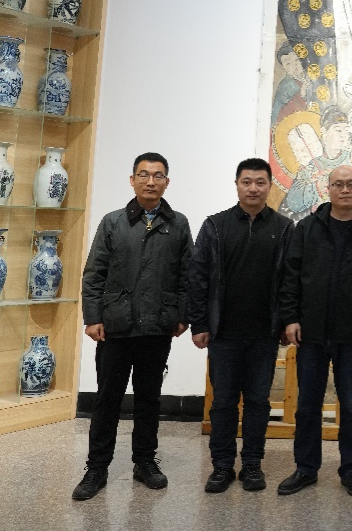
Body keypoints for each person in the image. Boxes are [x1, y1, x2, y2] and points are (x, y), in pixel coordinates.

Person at [73, 153, 193, 501]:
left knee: (148, 399)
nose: (150, 181)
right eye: (143, 174)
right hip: (115, 326)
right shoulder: (113, 222)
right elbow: (94, 274)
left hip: (157, 326)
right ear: (132, 180)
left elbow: (187, 275)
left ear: (167, 182)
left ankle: (144, 462)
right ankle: (96, 468)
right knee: (107, 399)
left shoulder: (179, 224)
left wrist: (182, 314)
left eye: (158, 175)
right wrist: (93, 317)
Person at [276, 165, 352, 498]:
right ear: (328, 188)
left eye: (351, 184)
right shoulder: (307, 228)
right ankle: (306, 468)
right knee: (307, 406)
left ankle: (351, 469)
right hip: (310, 332)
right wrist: (291, 318)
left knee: (351, 406)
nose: (345, 190)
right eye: (338, 184)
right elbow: (291, 276)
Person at [187, 158, 293, 493]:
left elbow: (290, 280)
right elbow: (198, 277)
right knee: (223, 403)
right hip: (223, 334)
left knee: (259, 402)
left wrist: (286, 321)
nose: (253, 188)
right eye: (247, 182)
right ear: (236, 185)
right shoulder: (215, 226)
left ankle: (252, 465)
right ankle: (221, 466)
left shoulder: (284, 228)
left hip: (264, 334)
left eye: (260, 182)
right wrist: (199, 323)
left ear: (269, 187)